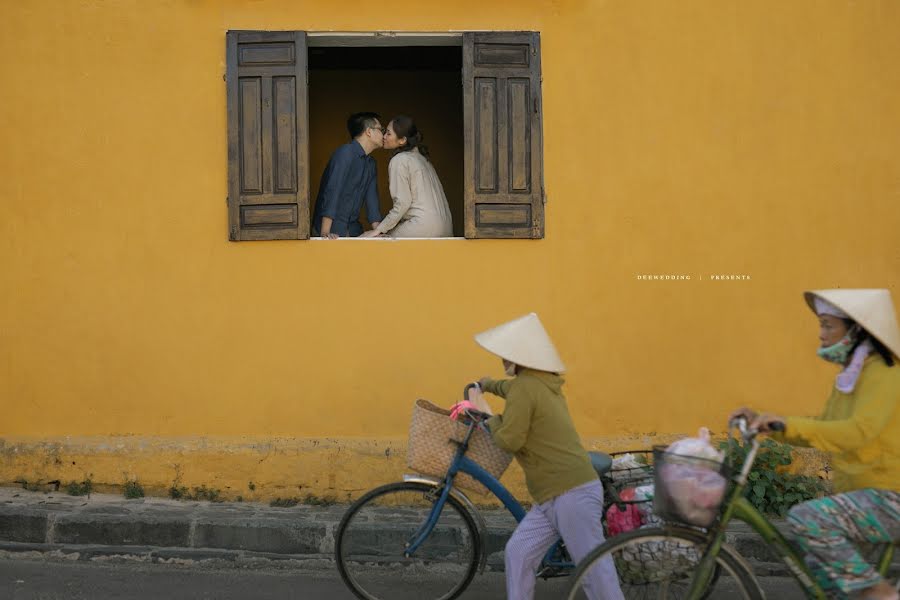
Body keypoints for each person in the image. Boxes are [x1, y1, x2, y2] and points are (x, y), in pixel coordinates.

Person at [732, 289, 900, 600]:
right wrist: (771, 424)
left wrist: (789, 424)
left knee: (808, 518)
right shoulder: (852, 376)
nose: (820, 335)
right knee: (818, 570)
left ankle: (878, 592)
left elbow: (857, 432)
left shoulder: (886, 373)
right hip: (862, 493)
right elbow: (824, 426)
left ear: (856, 329)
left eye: (827, 325)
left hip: (891, 496)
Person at [473, 313, 624, 600]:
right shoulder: (539, 381)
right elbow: (510, 389)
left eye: (507, 353)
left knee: (594, 573)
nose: (503, 358)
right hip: (553, 496)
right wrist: (487, 384)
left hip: (570, 494)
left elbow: (509, 439)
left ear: (521, 356)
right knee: (518, 553)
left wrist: (488, 420)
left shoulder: (526, 387)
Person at [358, 115, 453, 238]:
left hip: (422, 226)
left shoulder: (400, 160)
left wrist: (378, 230)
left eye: (388, 133)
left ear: (402, 140)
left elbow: (402, 203)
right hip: (446, 227)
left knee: (375, 241)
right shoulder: (423, 159)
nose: (384, 137)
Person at [311, 112, 384, 238]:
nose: (383, 134)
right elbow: (333, 190)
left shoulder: (371, 163)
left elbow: (372, 199)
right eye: (381, 129)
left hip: (353, 229)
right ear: (369, 132)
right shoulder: (345, 153)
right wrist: (325, 232)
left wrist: (378, 232)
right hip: (331, 228)